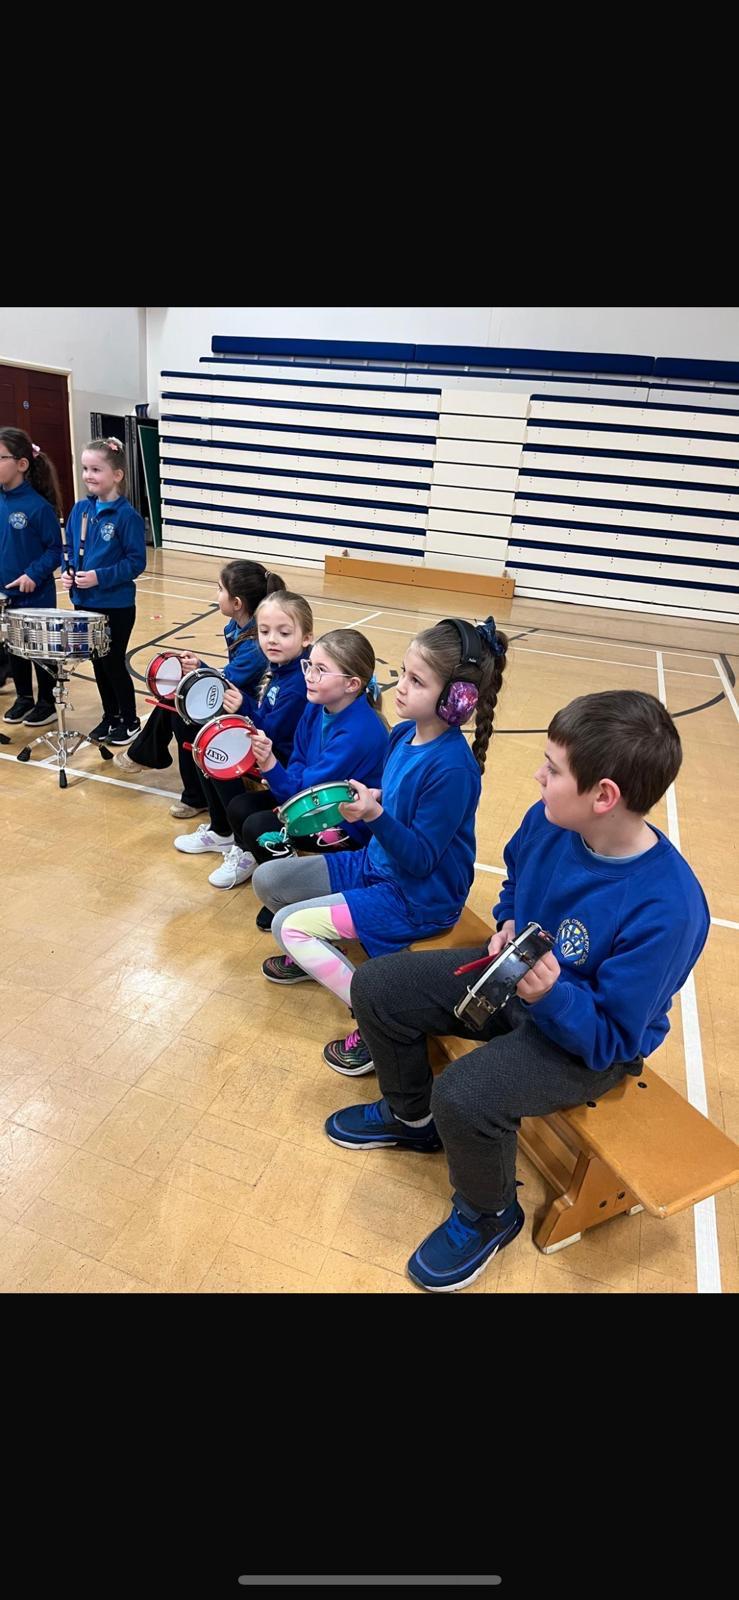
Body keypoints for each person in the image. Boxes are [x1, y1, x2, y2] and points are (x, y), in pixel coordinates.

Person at [323, 689, 711, 1292]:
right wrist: (507, 918)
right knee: (377, 986)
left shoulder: (670, 909)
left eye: (553, 769)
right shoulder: (549, 821)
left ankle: (489, 1214)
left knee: (465, 1094)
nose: (538, 777)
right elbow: (514, 880)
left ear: (603, 796)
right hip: (516, 981)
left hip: (585, 1044)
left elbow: (612, 1041)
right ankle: (410, 1116)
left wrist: (550, 995)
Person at [253, 616, 507, 1073]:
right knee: (269, 881)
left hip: (416, 897)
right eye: (404, 673)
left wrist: (375, 815)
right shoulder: (403, 734)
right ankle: (324, 962)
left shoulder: (453, 768)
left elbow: (421, 859)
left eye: (417, 681)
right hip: (376, 866)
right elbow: (398, 796)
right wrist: (375, 798)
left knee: (289, 927)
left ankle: (377, 1015)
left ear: (457, 699)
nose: (400, 687)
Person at [229, 630, 390, 927]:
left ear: (352, 684)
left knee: (259, 827)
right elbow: (300, 757)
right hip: (312, 798)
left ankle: (293, 891)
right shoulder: (316, 705)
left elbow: (302, 792)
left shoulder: (358, 732)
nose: (309, 676)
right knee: (240, 807)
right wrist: (283, 777)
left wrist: (271, 766)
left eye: (321, 670)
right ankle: (281, 871)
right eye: (309, 665)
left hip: (346, 825)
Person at [114, 559, 285, 819]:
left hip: (246, 708)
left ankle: (181, 783)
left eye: (220, 589)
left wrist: (200, 668)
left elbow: (229, 681)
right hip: (234, 697)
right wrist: (199, 667)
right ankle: (171, 774)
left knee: (183, 711)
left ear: (237, 603)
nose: (216, 594)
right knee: (179, 703)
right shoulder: (236, 626)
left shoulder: (255, 646)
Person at [206, 590, 313, 886]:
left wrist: (244, 706)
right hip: (274, 751)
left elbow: (273, 732)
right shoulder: (283, 668)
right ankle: (227, 834)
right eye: (264, 632)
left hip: (284, 762)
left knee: (219, 757)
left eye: (284, 633)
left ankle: (244, 845)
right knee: (208, 747)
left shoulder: (297, 683)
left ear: (306, 638)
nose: (272, 640)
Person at [61, 437, 146, 744]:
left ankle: (129, 719)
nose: (88, 475)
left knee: (112, 661)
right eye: (85, 469)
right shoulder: (81, 509)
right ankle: (110, 716)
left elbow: (136, 562)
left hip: (116, 605)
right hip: (85, 601)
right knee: (97, 661)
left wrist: (100, 577)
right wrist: (68, 571)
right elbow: (69, 549)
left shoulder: (127, 516)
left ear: (117, 475)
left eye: (96, 469)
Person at [0, 428, 63, 726]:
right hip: (6, 595)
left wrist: (33, 574)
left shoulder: (38, 507)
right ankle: (24, 697)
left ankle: (47, 702)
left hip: (36, 595)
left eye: (1, 458)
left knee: (39, 650)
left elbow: (55, 550)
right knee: (14, 649)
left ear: (22, 464)